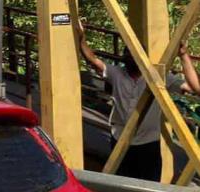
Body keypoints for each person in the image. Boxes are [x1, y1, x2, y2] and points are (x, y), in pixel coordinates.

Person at [76, 21, 200, 181]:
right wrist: (81, 37)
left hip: (148, 144)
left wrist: (184, 56)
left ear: (143, 57)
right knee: (121, 185)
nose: (129, 57)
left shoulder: (159, 77)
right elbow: (92, 60)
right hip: (120, 140)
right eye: (127, 53)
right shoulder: (116, 73)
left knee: (149, 187)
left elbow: (194, 87)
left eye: (133, 53)